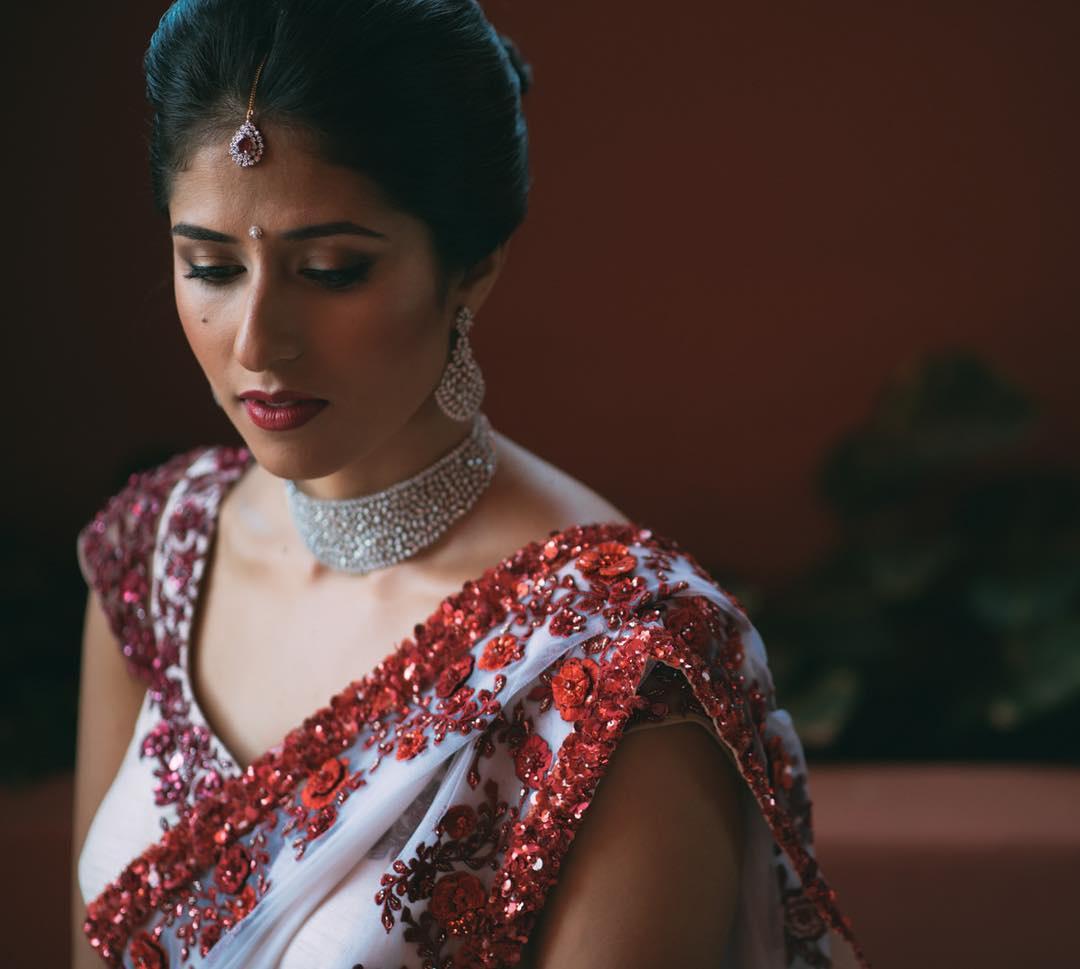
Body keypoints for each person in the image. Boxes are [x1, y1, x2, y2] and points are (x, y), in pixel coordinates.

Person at [70, 2, 871, 967]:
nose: (256, 342)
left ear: (472, 268)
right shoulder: (158, 551)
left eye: (330, 270)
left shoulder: (619, 659)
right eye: (209, 266)